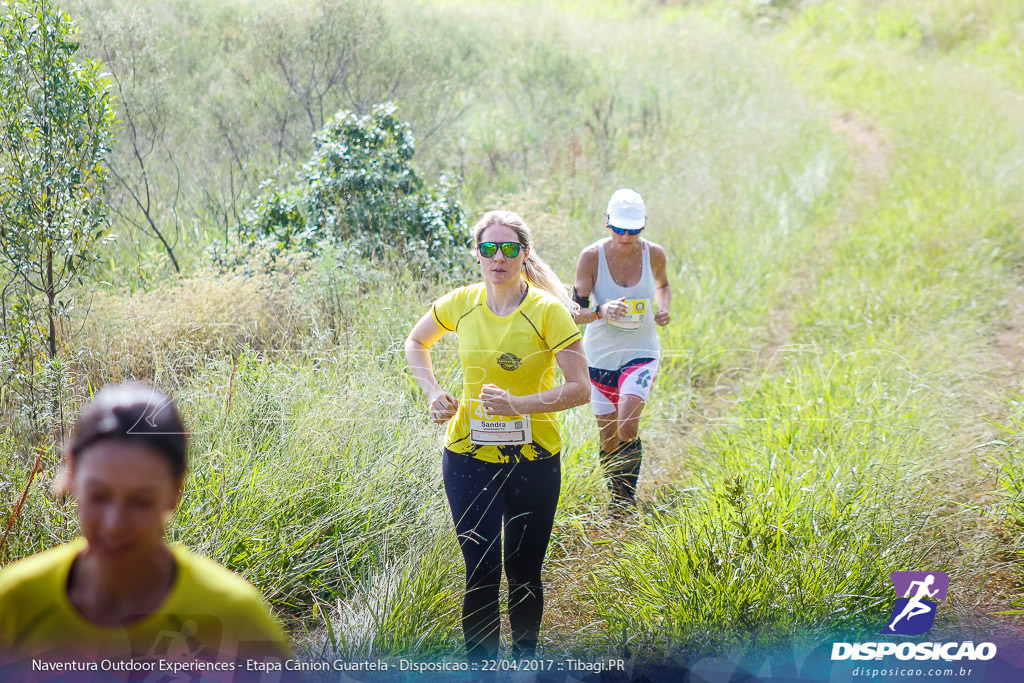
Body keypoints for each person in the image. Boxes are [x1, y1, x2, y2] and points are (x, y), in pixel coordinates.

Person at [0, 383, 292, 667]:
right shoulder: (15, 605)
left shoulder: (235, 618)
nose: (115, 525)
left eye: (141, 501)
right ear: (72, 472)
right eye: (99, 496)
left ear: (175, 491)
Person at [405, 210, 589, 660]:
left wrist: (517, 405)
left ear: (525, 254)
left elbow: (580, 389)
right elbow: (415, 343)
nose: (499, 257)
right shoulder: (461, 303)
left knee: (525, 572)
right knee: (481, 571)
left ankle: (525, 663)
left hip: (534, 459)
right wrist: (433, 392)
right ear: (477, 254)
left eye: (509, 248)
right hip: (468, 457)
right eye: (489, 248)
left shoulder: (547, 312)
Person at [572, 188, 671, 512]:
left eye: (634, 230)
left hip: (641, 351)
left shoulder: (653, 253)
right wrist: (602, 310)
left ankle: (627, 503)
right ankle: (616, 500)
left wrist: (663, 308)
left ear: (643, 226)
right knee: (609, 437)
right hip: (600, 355)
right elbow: (575, 313)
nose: (626, 236)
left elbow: (662, 285)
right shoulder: (591, 257)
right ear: (607, 224)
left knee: (628, 422)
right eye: (620, 229)